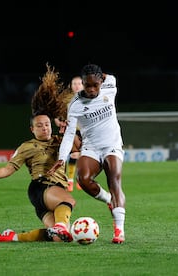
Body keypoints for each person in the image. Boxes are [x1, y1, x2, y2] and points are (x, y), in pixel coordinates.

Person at [0, 65, 78, 243]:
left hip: (51, 192)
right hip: (41, 187)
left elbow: (76, 150)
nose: (44, 128)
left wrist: (68, 130)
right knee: (68, 200)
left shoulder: (59, 141)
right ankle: (61, 226)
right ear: (32, 129)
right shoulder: (27, 146)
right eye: (39, 125)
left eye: (46, 124)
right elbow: (9, 168)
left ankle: (13, 237)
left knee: (58, 238)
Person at [48, 64, 126, 244]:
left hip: (112, 145)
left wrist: (102, 74)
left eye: (95, 85)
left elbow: (109, 75)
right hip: (91, 147)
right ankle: (108, 199)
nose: (91, 89)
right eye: (87, 85)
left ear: (100, 81)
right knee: (82, 179)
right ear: (82, 83)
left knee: (114, 178)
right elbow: (68, 134)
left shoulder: (110, 85)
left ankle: (119, 230)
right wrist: (61, 157)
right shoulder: (74, 104)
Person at [55, 75, 84, 191]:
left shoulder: (89, 97)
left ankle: (80, 180)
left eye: (79, 83)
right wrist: (58, 122)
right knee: (73, 155)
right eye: (74, 84)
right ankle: (71, 181)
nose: (76, 86)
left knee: (83, 156)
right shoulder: (66, 99)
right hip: (72, 131)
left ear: (83, 84)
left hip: (86, 132)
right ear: (71, 86)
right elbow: (56, 113)